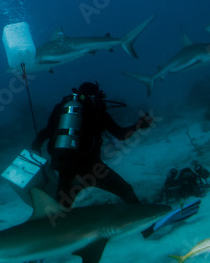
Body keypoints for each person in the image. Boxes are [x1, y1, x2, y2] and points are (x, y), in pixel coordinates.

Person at [31, 81, 152, 209]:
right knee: (126, 190)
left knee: (61, 208)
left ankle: (54, 227)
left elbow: (45, 133)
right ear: (96, 96)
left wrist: (36, 147)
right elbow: (121, 134)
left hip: (63, 166)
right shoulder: (96, 111)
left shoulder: (61, 108)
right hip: (91, 167)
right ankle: (147, 227)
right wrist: (139, 125)